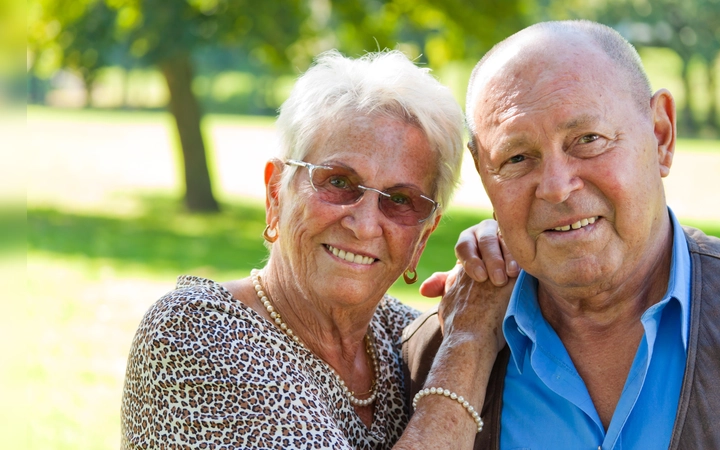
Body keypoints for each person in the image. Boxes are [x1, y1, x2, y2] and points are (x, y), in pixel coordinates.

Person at [404, 20, 720, 449]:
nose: (557, 187)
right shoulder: (433, 361)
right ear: (485, 176)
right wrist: (464, 347)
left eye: (588, 139)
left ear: (661, 135)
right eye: (517, 157)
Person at [121, 50, 514, 449]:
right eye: (339, 182)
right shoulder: (195, 331)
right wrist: (468, 344)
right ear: (276, 193)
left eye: (399, 200)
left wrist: (498, 266)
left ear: (422, 238)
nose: (363, 225)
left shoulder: (406, 340)